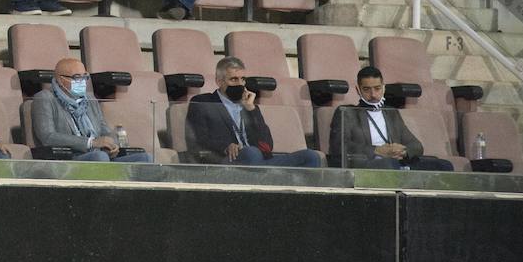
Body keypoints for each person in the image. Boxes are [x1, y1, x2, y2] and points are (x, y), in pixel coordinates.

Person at [186, 57, 322, 168]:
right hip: (226, 161)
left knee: (310, 156)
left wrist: (251, 110)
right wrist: (225, 147)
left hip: (259, 161)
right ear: (219, 81)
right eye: (233, 79)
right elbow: (198, 139)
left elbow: (267, 145)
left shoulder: (250, 106)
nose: (240, 84)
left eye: (243, 79)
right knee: (252, 152)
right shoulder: (204, 102)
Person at [327, 66, 454, 171]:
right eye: (367, 89)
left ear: (384, 87)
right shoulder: (348, 113)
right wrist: (377, 150)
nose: (373, 95)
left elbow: (416, 145)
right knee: (389, 164)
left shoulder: (391, 113)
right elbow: (340, 146)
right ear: (358, 90)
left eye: (377, 89)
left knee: (444, 166)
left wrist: (402, 151)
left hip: (397, 163)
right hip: (368, 165)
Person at [31, 58, 152, 163]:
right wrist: (90, 143)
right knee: (99, 157)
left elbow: (104, 130)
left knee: (146, 159)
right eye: (76, 77)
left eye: (85, 77)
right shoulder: (45, 98)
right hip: (70, 159)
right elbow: (48, 137)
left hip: (100, 155)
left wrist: (112, 143)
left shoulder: (90, 99)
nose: (82, 81)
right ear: (60, 79)